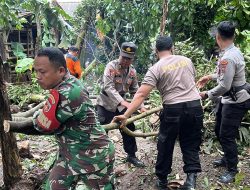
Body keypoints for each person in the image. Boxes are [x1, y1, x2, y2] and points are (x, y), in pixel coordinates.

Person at [8, 47, 115, 190]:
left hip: (93, 156)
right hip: (69, 153)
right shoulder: (65, 83)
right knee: (53, 187)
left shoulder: (68, 93)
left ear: (61, 71)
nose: (37, 76)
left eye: (42, 72)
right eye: (36, 71)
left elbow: (41, 126)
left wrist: (14, 124)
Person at [112, 36, 203, 190]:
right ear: (172, 47)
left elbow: (141, 94)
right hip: (195, 107)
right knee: (191, 142)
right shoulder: (187, 61)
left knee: (165, 143)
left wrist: (126, 115)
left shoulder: (156, 68)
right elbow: (190, 82)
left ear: (156, 51)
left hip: (173, 109)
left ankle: (162, 180)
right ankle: (191, 181)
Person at [197, 21, 250, 184]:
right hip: (228, 99)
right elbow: (225, 75)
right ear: (233, 36)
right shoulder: (231, 51)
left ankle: (232, 169)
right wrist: (209, 76)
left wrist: (206, 94)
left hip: (236, 101)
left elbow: (225, 85)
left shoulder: (228, 57)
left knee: (226, 136)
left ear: (218, 37)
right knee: (220, 131)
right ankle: (227, 158)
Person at [96, 42, 146, 167]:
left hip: (121, 106)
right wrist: (122, 101)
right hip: (105, 103)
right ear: (120, 54)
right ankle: (100, 159)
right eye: (123, 57)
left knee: (129, 127)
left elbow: (136, 90)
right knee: (101, 130)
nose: (125, 61)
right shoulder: (111, 66)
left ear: (132, 59)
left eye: (128, 59)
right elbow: (108, 87)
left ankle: (131, 156)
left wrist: (141, 106)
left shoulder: (132, 71)